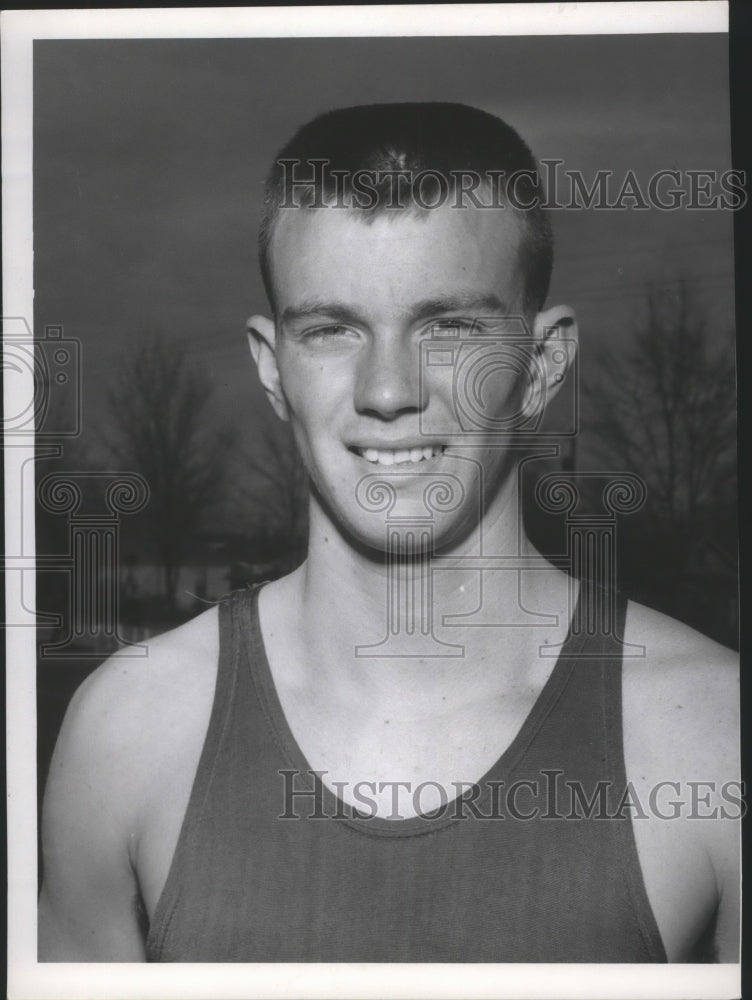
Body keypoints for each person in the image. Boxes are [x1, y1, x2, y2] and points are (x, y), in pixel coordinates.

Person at [38, 103, 740, 963]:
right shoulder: (128, 731)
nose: (387, 389)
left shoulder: (713, 738)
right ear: (272, 366)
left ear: (544, 363)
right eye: (332, 330)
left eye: (449, 327)